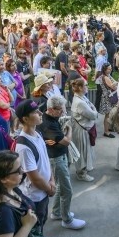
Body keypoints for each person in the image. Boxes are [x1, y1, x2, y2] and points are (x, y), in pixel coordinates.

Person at [14, 100, 58, 237]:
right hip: (35, 195)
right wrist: (50, 189)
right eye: (36, 112)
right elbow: (34, 178)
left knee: (41, 221)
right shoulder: (23, 146)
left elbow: (45, 160)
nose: (40, 114)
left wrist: (52, 180)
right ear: (25, 119)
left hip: (44, 190)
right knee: (35, 225)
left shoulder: (37, 134)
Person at [38, 95, 87, 229]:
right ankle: (67, 219)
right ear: (51, 109)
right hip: (56, 158)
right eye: (60, 110)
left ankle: (56, 212)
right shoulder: (48, 124)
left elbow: (61, 140)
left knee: (61, 186)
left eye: (64, 109)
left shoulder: (51, 117)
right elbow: (66, 141)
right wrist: (69, 130)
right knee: (67, 190)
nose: (63, 113)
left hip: (59, 155)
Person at [69, 78, 97, 181]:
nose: (87, 87)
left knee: (86, 151)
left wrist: (93, 110)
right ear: (80, 88)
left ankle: (84, 170)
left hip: (84, 129)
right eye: (86, 85)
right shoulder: (80, 102)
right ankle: (81, 174)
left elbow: (92, 108)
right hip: (81, 131)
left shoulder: (81, 97)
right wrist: (94, 111)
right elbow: (93, 115)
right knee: (82, 151)